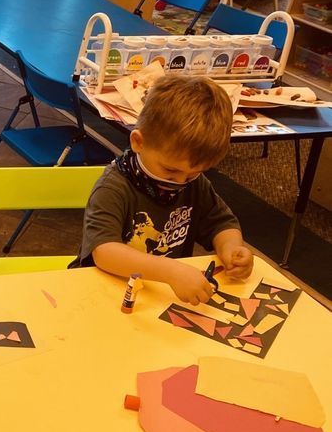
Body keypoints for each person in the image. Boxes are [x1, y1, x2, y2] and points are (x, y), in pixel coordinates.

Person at [75, 74, 253, 303]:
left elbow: (221, 223)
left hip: (159, 294)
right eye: (170, 171)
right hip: (105, 292)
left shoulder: (194, 185)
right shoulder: (114, 187)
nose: (179, 182)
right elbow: (105, 252)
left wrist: (232, 249)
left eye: (192, 173)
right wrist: (171, 271)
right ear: (138, 142)